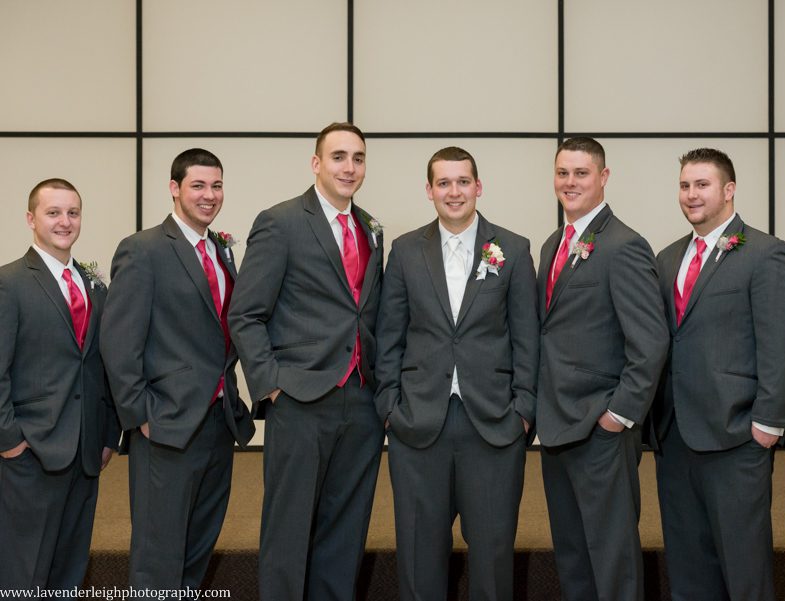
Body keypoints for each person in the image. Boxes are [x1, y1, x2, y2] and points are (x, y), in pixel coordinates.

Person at [228, 122, 384, 601]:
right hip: (299, 398)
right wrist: (271, 383)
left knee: (346, 531)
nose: (349, 167)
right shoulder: (281, 221)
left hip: (361, 401)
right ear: (316, 163)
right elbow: (246, 313)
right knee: (289, 531)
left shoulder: (371, 228)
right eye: (338, 157)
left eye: (357, 158)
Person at [375, 146, 539, 601]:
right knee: (417, 555)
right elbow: (389, 336)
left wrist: (523, 411)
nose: (454, 191)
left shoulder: (512, 248)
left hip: (493, 425)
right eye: (443, 183)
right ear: (429, 190)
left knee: (492, 555)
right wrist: (390, 407)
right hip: (417, 424)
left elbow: (528, 338)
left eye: (463, 181)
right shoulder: (406, 251)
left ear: (478, 187)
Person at [648, 148, 785, 600]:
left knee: (743, 567)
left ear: (728, 190)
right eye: (684, 185)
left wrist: (767, 423)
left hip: (737, 435)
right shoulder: (667, 257)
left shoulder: (765, 253)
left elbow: (782, 342)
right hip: (675, 435)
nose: (691, 195)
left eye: (702, 185)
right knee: (688, 564)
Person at [100, 148, 254, 589]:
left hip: (218, 423)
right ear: (174, 189)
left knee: (197, 551)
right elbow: (119, 342)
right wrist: (140, 415)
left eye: (217, 185)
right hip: (164, 425)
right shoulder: (143, 249)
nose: (210, 195)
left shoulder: (222, 250)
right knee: (157, 557)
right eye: (198, 185)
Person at [537, 137, 668, 601]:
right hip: (557, 425)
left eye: (581, 173)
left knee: (612, 558)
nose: (569, 183)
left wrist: (620, 414)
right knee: (572, 555)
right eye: (563, 173)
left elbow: (650, 342)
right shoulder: (554, 243)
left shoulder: (624, 245)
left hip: (601, 429)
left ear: (604, 177)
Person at [0, 178, 119, 589]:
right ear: (31, 219)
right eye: (53, 213)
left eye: (72, 212)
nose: (65, 221)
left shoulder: (94, 288)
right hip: (30, 453)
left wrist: (107, 434)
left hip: (86, 454)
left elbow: (102, 367)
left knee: (68, 573)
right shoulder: (9, 283)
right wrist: (10, 441)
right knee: (23, 573)